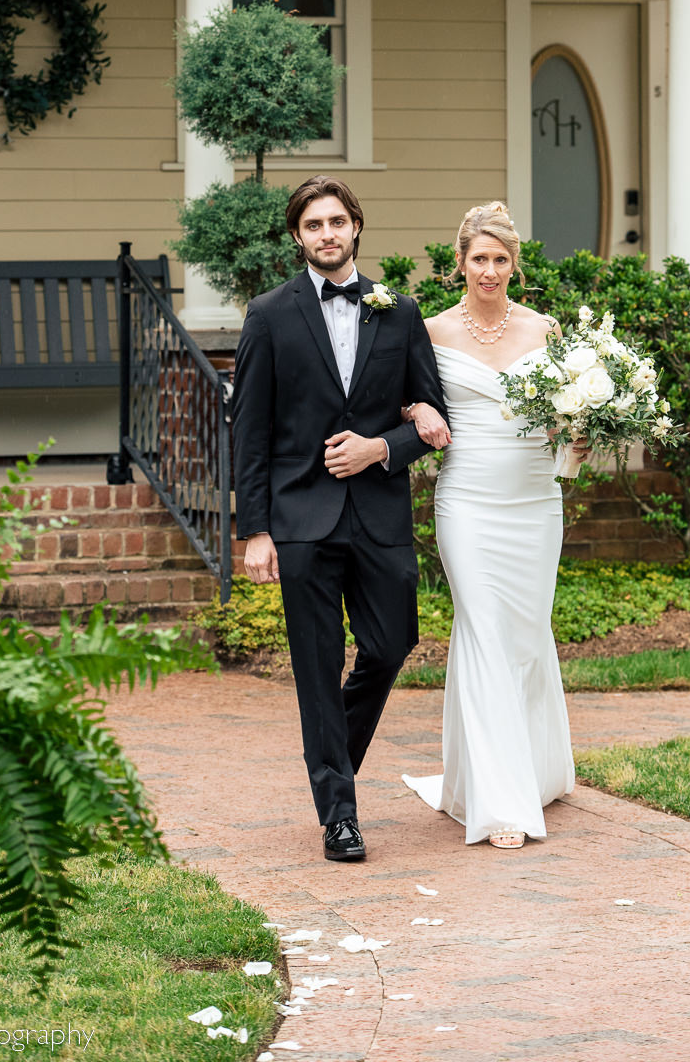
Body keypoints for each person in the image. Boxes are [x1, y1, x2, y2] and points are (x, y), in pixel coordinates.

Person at [231, 174, 450, 863]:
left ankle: (330, 762)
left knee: (391, 644)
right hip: (301, 520)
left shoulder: (401, 311)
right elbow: (251, 432)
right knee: (317, 667)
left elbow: (435, 418)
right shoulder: (269, 315)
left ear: (356, 226)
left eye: (336, 222)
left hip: (379, 513)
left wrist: (381, 447)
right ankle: (341, 816)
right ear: (298, 237)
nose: (326, 234)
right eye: (312, 225)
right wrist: (255, 530)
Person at [402, 201, 576, 849]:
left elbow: (566, 422)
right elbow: (405, 394)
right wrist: (420, 406)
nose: (490, 270)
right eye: (480, 258)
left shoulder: (546, 331)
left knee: (527, 636)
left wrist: (578, 438)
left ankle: (532, 770)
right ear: (460, 263)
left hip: (535, 499)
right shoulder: (432, 331)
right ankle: (501, 805)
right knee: (483, 632)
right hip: (468, 501)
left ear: (514, 266)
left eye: (501, 260)